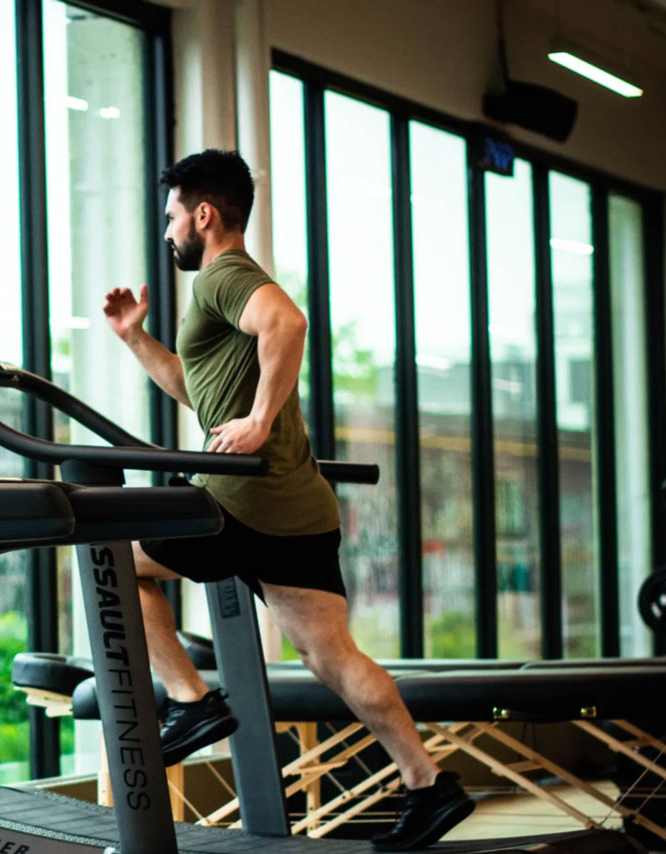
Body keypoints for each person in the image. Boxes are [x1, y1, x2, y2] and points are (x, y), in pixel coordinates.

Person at [102, 149, 473, 850]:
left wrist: (261, 421)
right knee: (333, 657)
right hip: (297, 506)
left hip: (239, 499)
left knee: (112, 558)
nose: (168, 232)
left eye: (172, 217)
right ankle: (429, 785)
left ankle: (191, 702)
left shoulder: (226, 277)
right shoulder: (225, 289)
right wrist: (135, 339)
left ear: (202, 215)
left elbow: (290, 325)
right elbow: (198, 390)